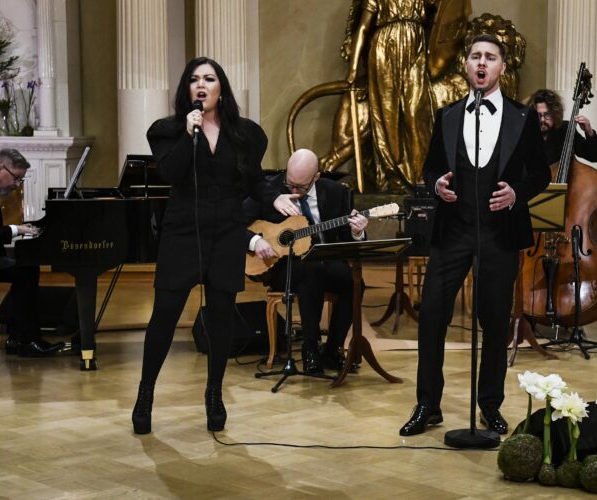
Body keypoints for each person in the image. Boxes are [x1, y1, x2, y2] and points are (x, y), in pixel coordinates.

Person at [399, 34, 550, 436]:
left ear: (502, 68)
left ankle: (490, 406)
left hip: (499, 233)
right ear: (466, 66)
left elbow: (541, 174)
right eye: (475, 56)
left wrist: (518, 194)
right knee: (431, 315)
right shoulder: (448, 115)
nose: (482, 63)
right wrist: (437, 186)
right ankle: (427, 405)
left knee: (495, 321)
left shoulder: (522, 117)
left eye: (490, 57)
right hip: (453, 231)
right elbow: (431, 168)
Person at [132, 57, 292, 435]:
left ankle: (214, 394)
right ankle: (145, 393)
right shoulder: (168, 131)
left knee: (220, 319)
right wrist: (191, 134)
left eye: (209, 78)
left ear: (222, 88)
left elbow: (254, 183)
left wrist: (276, 199)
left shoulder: (245, 135)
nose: (201, 85)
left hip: (224, 235)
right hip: (182, 234)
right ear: (186, 90)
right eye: (193, 80)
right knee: (164, 317)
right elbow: (170, 174)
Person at [244, 149, 368, 374]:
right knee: (311, 272)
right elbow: (235, 223)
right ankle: (310, 348)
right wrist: (255, 241)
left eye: (299, 187)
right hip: (281, 265)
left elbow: (347, 239)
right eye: (289, 183)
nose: (292, 190)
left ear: (316, 177)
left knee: (355, 283)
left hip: (326, 260)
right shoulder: (269, 189)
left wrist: (358, 232)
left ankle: (332, 350)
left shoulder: (335, 192)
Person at [0, 149, 64, 357]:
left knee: (26, 264)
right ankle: (25, 340)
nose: (17, 184)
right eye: (16, 178)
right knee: (25, 270)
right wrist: (15, 230)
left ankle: (17, 335)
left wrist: (17, 232)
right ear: (0, 168)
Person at [345, 0, 435, 191]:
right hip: (384, 49)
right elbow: (362, 27)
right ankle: (393, 174)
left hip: (415, 47)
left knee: (415, 112)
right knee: (388, 116)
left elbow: (441, 16)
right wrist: (353, 67)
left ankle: (422, 175)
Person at [527, 88, 597, 165]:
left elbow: (594, 156)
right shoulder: (527, 134)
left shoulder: (566, 130)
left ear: (555, 113)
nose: (542, 119)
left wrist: (589, 131)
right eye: (538, 115)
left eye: (547, 114)